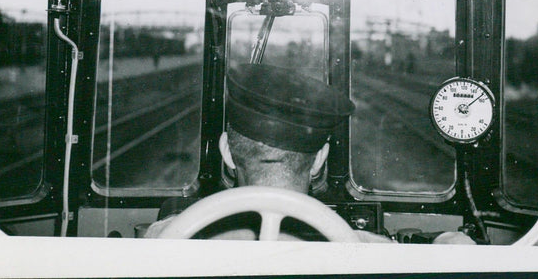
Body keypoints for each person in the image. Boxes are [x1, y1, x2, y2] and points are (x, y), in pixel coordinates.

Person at [145, 63, 473, 244]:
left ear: (226, 153)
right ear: (319, 160)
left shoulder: (169, 237)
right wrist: (449, 240)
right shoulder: (362, 248)